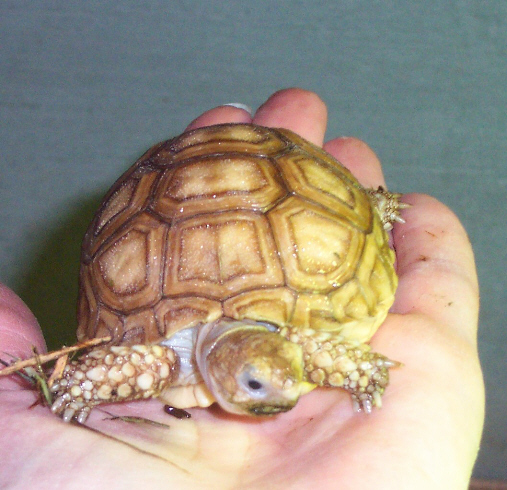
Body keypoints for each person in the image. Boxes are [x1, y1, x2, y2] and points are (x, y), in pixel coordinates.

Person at [0, 88, 484, 489]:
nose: (286, 391)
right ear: (227, 372)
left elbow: (300, 357)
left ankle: (365, 208)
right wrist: (76, 386)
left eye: (285, 374)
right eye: (258, 384)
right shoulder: (165, 356)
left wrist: (358, 371)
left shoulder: (282, 355)